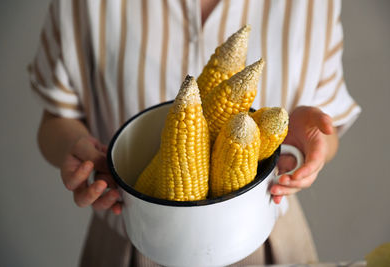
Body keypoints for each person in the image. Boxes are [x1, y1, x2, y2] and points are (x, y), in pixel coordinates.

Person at [29, 0, 361, 266]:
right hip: (133, 239)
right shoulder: (81, 5)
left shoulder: (315, 5)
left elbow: (326, 130)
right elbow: (56, 119)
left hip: (265, 239)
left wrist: (311, 142)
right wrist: (76, 148)